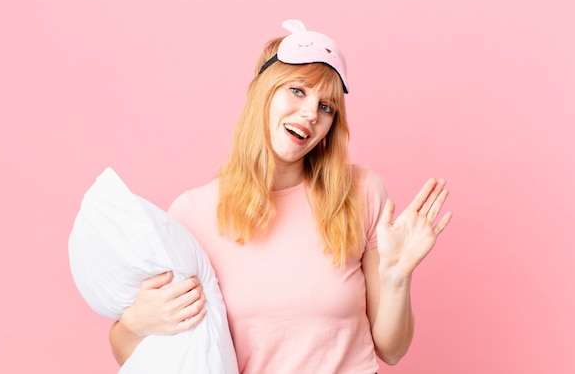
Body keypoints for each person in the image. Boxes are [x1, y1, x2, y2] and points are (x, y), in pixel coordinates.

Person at [109, 19, 452, 373]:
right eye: (298, 91)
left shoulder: (361, 194)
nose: (310, 114)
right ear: (263, 92)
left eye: (326, 107)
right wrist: (136, 323)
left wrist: (397, 277)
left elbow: (392, 350)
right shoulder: (193, 213)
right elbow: (131, 352)